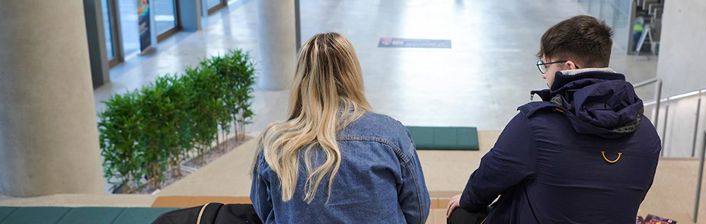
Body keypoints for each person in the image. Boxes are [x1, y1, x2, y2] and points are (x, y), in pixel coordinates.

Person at [446, 15, 662, 223]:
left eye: (546, 66)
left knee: (462, 213)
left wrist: (466, 199)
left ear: (569, 67)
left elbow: (487, 179)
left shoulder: (536, 125)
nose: (544, 75)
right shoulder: (647, 134)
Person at [250, 32, 430, 224]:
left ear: (301, 79)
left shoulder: (275, 144)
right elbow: (417, 211)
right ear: (353, 74)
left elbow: (266, 215)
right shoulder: (391, 135)